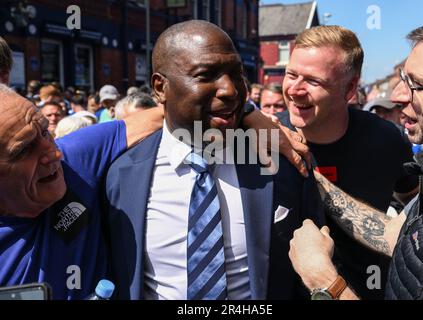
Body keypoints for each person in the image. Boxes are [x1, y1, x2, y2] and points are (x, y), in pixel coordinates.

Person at [105, 20, 324, 300]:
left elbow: (313, 273)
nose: (230, 90)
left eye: (236, 74)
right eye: (206, 75)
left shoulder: (281, 163)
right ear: (160, 88)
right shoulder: (122, 176)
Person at [289, 17, 423, 300]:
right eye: (403, 79)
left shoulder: (384, 137)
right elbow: (395, 233)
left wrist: (323, 279)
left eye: (417, 84)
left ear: (349, 89)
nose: (398, 95)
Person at [0, 83, 167, 299]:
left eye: (44, 132)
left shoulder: (74, 160)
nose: (53, 154)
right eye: (24, 150)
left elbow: (171, 116)